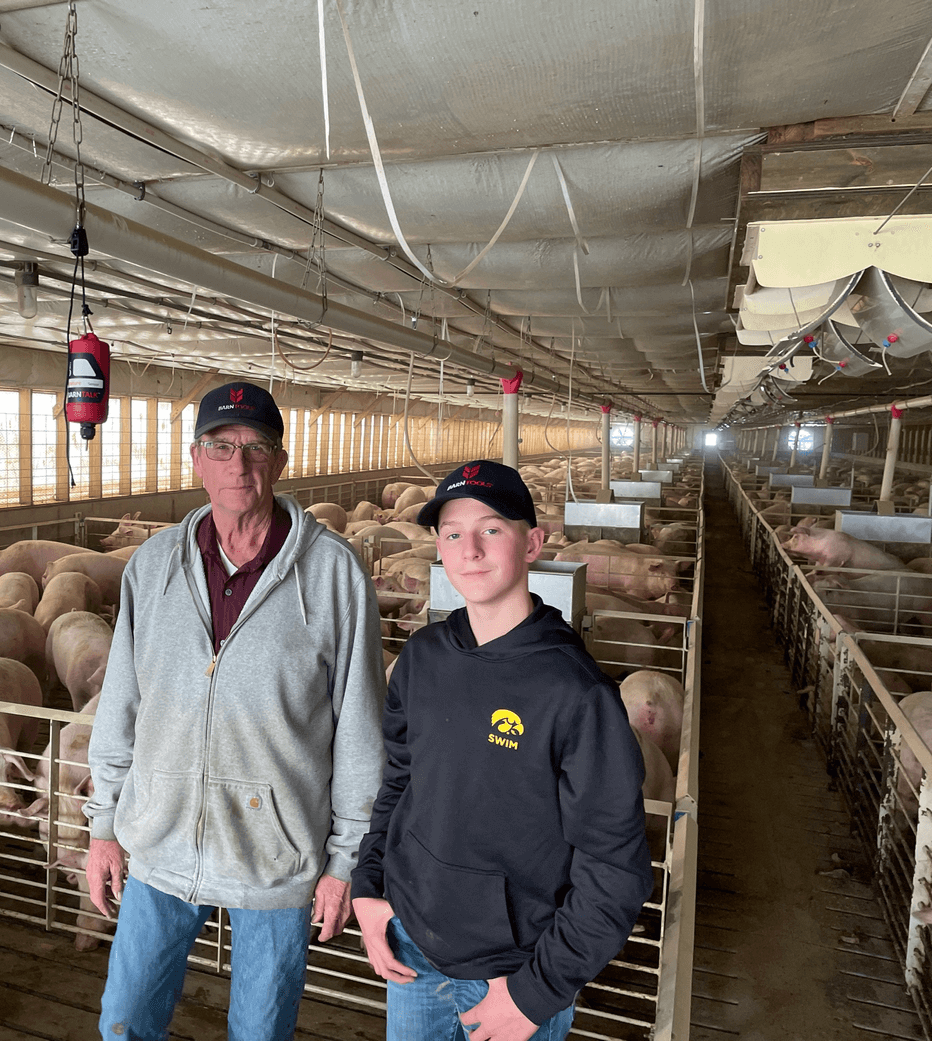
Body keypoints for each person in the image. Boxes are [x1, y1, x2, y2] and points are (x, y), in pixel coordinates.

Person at [84, 380, 386, 1041]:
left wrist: (345, 859)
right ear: (196, 458)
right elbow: (122, 701)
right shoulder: (153, 564)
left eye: (256, 447)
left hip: (277, 855)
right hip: (159, 840)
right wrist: (104, 822)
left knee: (259, 1032)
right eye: (221, 446)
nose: (239, 464)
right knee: (124, 1022)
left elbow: (361, 729)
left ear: (281, 461)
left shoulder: (336, 574)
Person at [350, 460, 653, 1041]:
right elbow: (400, 782)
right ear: (439, 547)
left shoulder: (575, 692)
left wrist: (537, 992)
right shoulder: (422, 657)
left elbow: (615, 866)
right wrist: (370, 887)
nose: (471, 549)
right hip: (411, 948)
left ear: (533, 543)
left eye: (492, 529)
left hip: (512, 975)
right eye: (453, 533)